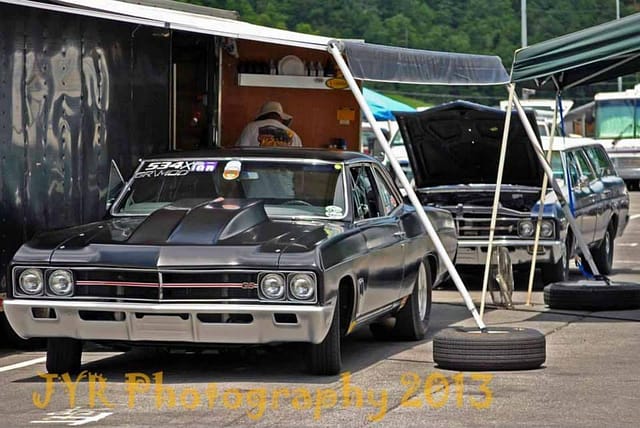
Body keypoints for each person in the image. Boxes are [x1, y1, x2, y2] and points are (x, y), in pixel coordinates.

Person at [236, 101, 302, 147]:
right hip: (284, 167)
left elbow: (239, 153)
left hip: (256, 166)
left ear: (261, 117)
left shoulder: (250, 128)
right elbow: (299, 162)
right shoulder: (294, 136)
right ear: (281, 118)